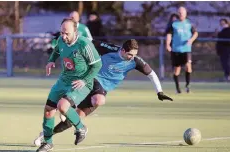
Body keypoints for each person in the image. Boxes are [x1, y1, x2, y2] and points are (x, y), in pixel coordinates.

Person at [34, 39, 173, 147]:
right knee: (98, 100)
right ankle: (65, 109)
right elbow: (87, 42)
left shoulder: (135, 61)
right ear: (123, 51)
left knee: (74, 119)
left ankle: (45, 135)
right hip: (90, 79)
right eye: (130, 54)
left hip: (102, 89)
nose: (132, 57)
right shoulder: (109, 49)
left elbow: (152, 74)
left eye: (134, 55)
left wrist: (159, 91)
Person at [36, 18, 102, 152]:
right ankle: (48, 143)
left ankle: (81, 127)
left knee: (62, 106)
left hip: (81, 83)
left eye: (67, 33)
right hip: (63, 80)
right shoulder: (61, 40)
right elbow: (56, 51)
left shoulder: (84, 44)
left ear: (75, 31)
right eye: (62, 33)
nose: (64, 36)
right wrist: (51, 61)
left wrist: (84, 80)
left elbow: (97, 65)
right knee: (49, 110)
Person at [166, 6, 198, 93]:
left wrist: (191, 40)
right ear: (177, 13)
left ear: (185, 13)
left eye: (182, 13)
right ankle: (178, 89)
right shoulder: (173, 24)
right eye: (179, 13)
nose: (181, 14)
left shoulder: (189, 23)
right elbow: (169, 35)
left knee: (188, 66)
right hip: (176, 49)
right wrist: (168, 44)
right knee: (177, 70)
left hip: (186, 49)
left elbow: (195, 33)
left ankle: (187, 86)